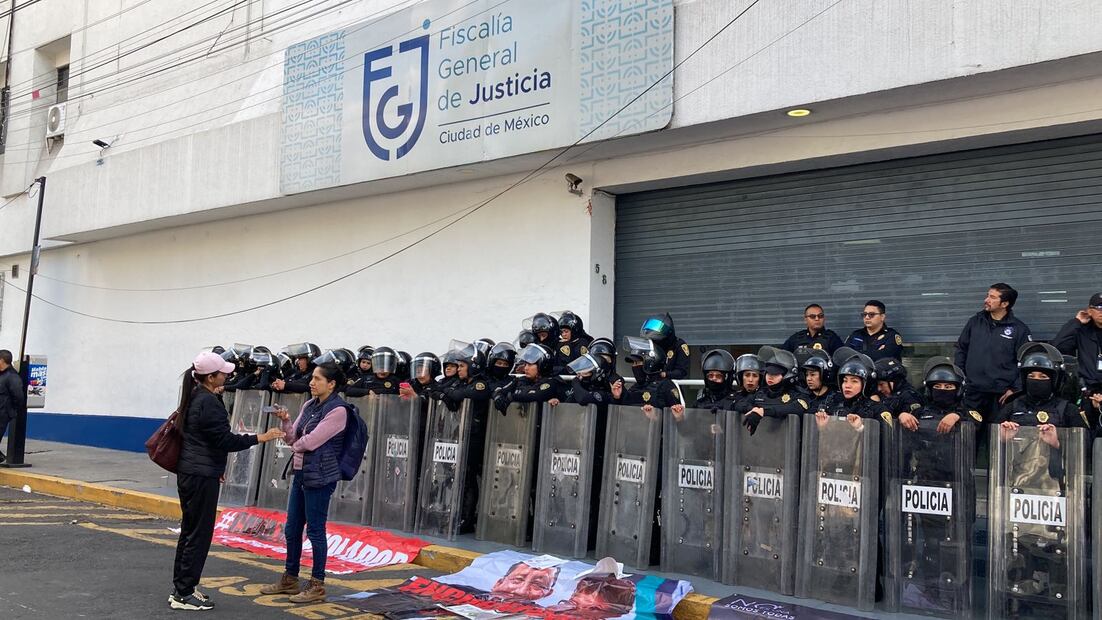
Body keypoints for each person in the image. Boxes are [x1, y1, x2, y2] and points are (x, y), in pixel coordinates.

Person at [171, 352, 284, 611]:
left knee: (190, 531)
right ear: (210, 377)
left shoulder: (197, 396)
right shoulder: (207, 402)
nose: (227, 375)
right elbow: (225, 440)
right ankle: (183, 593)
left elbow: (206, 441)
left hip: (195, 472)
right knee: (198, 535)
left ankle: (183, 587)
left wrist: (216, 466)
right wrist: (261, 437)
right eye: (222, 372)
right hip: (200, 476)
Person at [260, 362, 352, 604]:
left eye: (318, 379)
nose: (312, 382)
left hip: (321, 476)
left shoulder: (338, 410)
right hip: (301, 472)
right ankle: (290, 579)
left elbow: (310, 442)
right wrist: (287, 421)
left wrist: (296, 442)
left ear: (331, 384)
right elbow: (294, 437)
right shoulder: (310, 405)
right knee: (291, 529)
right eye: (312, 378)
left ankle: (317, 584)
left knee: (315, 531)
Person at [954, 283, 1033, 421]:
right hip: (974, 394)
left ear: (1004, 304)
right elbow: (961, 349)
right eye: (987, 295)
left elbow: (1026, 362)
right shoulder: (975, 322)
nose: (986, 300)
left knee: (997, 437)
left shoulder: (1019, 329)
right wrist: (961, 378)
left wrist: (1015, 389)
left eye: (992, 297)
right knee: (971, 435)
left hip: (1001, 396)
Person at [994, 343, 1090, 430]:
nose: (1036, 380)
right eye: (1031, 376)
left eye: (1043, 377)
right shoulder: (1013, 406)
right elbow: (995, 437)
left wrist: (1057, 441)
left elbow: (1083, 442)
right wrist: (1004, 434)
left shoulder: (1067, 409)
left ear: (1054, 381)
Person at [1052, 292, 1102, 427]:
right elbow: (1058, 347)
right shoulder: (1082, 330)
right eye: (1098, 308)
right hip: (1088, 391)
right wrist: (1076, 322)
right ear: (1090, 311)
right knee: (1087, 434)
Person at [897, 357, 982, 433]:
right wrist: (902, 416)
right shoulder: (920, 411)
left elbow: (976, 422)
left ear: (958, 391)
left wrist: (956, 416)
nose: (942, 389)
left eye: (948, 387)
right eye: (937, 386)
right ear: (929, 391)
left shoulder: (965, 410)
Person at [815, 347, 892, 428]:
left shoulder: (878, 410)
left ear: (866, 384)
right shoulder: (831, 405)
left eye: (854, 381)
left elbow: (885, 438)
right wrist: (822, 428)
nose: (847, 385)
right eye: (845, 381)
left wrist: (861, 428)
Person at [612, 337, 684, 420]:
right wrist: (617, 397)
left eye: (637, 362)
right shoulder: (635, 387)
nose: (634, 366)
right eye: (633, 363)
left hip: (656, 432)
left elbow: (676, 421)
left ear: (650, 363)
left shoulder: (666, 386)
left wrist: (655, 418)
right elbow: (621, 416)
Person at [741, 346, 809, 434]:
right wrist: (754, 409)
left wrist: (764, 411)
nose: (770, 376)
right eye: (768, 372)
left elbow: (796, 408)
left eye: (775, 373)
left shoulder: (799, 395)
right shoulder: (761, 393)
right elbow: (740, 403)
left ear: (788, 375)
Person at [639, 313, 691, 380]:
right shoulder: (653, 345)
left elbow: (682, 372)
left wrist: (664, 374)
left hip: (671, 385)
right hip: (651, 384)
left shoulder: (679, 345)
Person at [0, 349, 25, 464]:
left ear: (2, 360)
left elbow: (19, 397)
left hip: (3, 413)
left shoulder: (12, 377)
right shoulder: (2, 375)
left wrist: (11, 411)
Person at [795, 346, 838, 413]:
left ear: (824, 375)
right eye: (807, 375)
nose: (808, 379)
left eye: (812, 375)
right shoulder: (802, 396)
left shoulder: (836, 398)